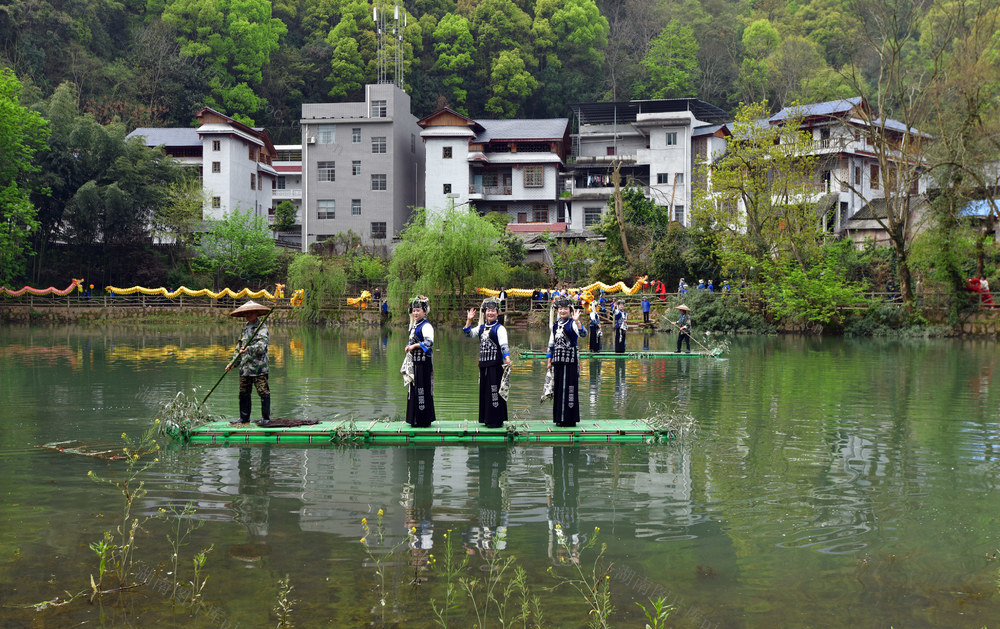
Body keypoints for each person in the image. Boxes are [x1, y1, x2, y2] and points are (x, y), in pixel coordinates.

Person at [463, 298, 512, 428]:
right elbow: (468, 334)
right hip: (483, 366)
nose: (490, 313)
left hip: (495, 366)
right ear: (484, 313)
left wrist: (507, 358)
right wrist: (469, 320)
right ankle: (486, 419)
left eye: (493, 311)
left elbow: (504, 345)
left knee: (494, 391)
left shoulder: (500, 328)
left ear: (497, 312)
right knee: (485, 392)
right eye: (488, 311)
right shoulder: (481, 328)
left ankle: (496, 420)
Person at [227, 300, 272, 424]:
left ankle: (266, 419)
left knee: (263, 392)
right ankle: (244, 418)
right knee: (243, 393)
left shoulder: (262, 328)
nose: (248, 315)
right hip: (245, 368)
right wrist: (233, 363)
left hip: (259, 367)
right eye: (246, 313)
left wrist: (249, 349)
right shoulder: (244, 329)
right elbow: (239, 349)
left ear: (256, 313)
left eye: (251, 312)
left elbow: (262, 346)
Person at [547, 297, 587, 427]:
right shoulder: (555, 326)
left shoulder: (572, 323)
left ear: (570, 310)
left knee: (569, 389)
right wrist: (549, 361)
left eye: (565, 309)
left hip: (570, 361)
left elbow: (583, 334)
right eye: (560, 309)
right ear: (557, 311)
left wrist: (578, 322)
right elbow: (551, 344)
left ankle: (569, 419)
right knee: (558, 389)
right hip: (557, 361)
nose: (562, 311)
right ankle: (559, 418)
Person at [405, 295, 436, 427]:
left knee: (422, 389)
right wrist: (408, 346)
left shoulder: (426, 326)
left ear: (424, 311)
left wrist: (414, 346)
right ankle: (414, 419)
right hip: (415, 363)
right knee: (414, 389)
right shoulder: (414, 325)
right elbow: (412, 340)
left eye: (418, 310)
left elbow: (429, 343)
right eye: (414, 310)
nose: (415, 313)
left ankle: (423, 420)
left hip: (423, 363)